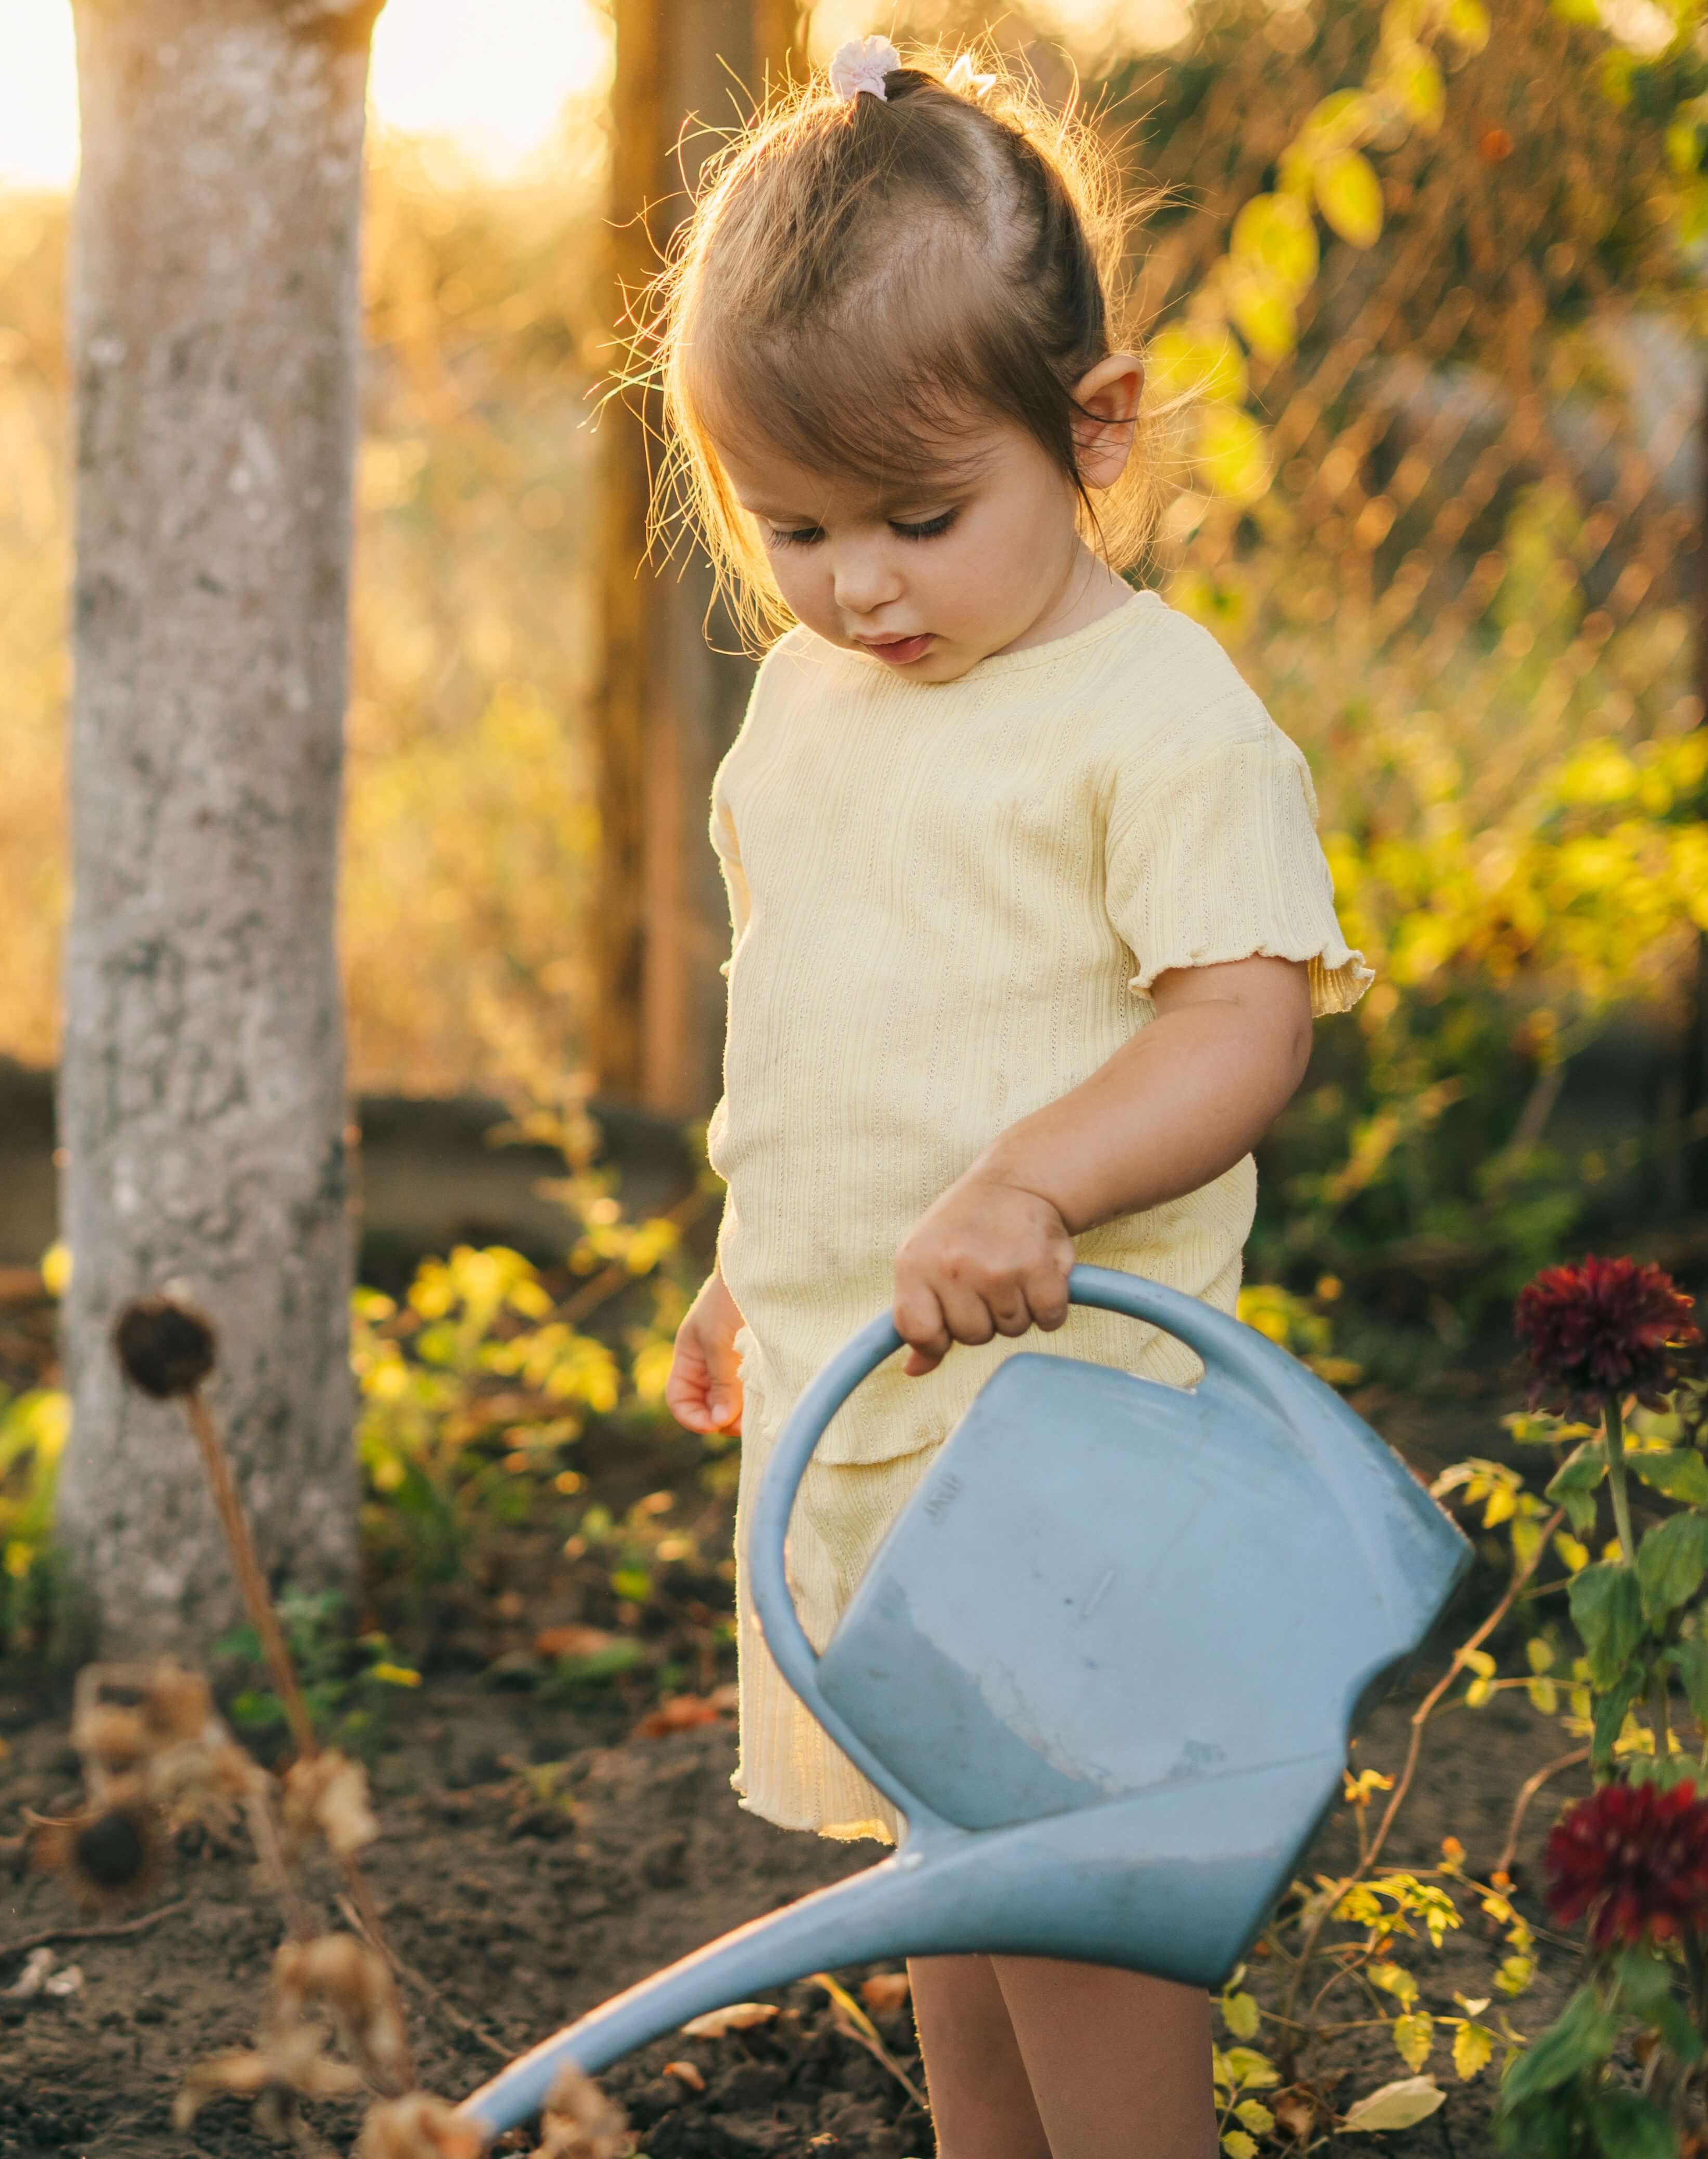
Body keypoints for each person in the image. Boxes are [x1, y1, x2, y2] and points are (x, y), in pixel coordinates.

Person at [658, 34, 1373, 2159]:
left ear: (1095, 428)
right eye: (789, 526)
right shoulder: (811, 697)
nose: (856, 582)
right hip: (862, 1404)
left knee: (1074, 1890)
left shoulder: (1157, 719)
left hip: (1067, 1431)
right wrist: (739, 1268)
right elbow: (804, 1008)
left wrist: (1030, 1179)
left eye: (917, 515)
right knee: (947, 1882)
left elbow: (1239, 1024)